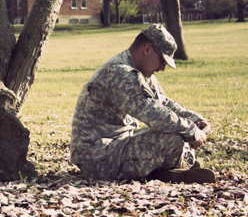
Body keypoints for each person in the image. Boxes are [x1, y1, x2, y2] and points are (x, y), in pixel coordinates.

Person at [70, 24, 215, 183]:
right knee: (172, 140)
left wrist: (196, 119)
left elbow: (164, 103)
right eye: (162, 60)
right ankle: (171, 168)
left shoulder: (140, 72)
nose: (162, 68)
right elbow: (154, 114)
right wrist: (191, 130)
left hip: (116, 145)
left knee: (175, 134)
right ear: (147, 49)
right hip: (97, 158)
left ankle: (166, 170)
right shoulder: (120, 73)